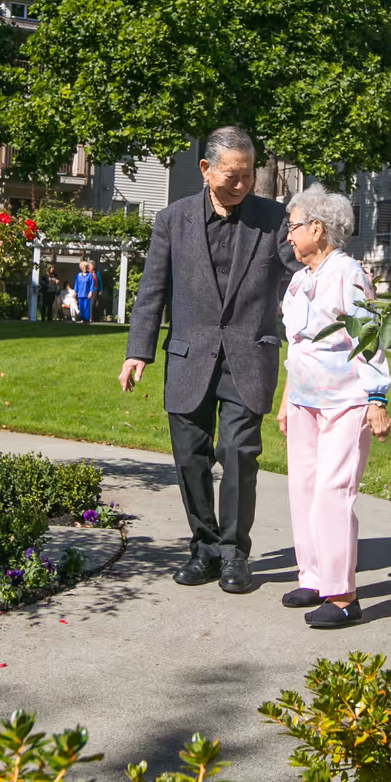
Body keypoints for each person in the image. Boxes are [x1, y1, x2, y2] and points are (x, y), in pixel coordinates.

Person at [120, 126, 296, 593]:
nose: (241, 184)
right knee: (190, 459)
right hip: (188, 357)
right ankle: (204, 546)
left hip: (249, 356)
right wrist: (138, 351)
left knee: (238, 455)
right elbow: (151, 290)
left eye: (248, 175)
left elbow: (303, 274)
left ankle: (236, 553)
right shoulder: (171, 220)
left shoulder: (276, 219)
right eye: (232, 175)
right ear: (205, 170)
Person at [275, 186, 390, 628]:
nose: (289, 236)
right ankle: (315, 577)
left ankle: (342, 596)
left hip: (345, 401)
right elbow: (297, 346)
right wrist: (287, 398)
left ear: (317, 229)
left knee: (332, 493)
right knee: (302, 490)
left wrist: (377, 397)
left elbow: (367, 336)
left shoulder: (347, 273)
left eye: (293, 227)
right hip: (305, 400)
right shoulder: (300, 279)